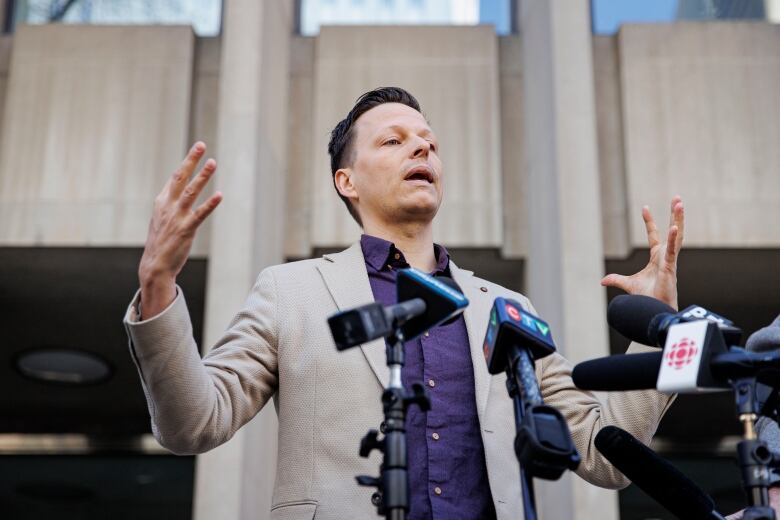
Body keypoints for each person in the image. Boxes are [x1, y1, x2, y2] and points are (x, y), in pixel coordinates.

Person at [124, 87, 684, 520]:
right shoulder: (289, 292)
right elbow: (192, 424)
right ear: (347, 181)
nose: (422, 147)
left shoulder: (504, 307)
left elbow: (604, 455)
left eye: (429, 142)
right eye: (393, 141)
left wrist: (660, 330)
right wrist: (158, 283)